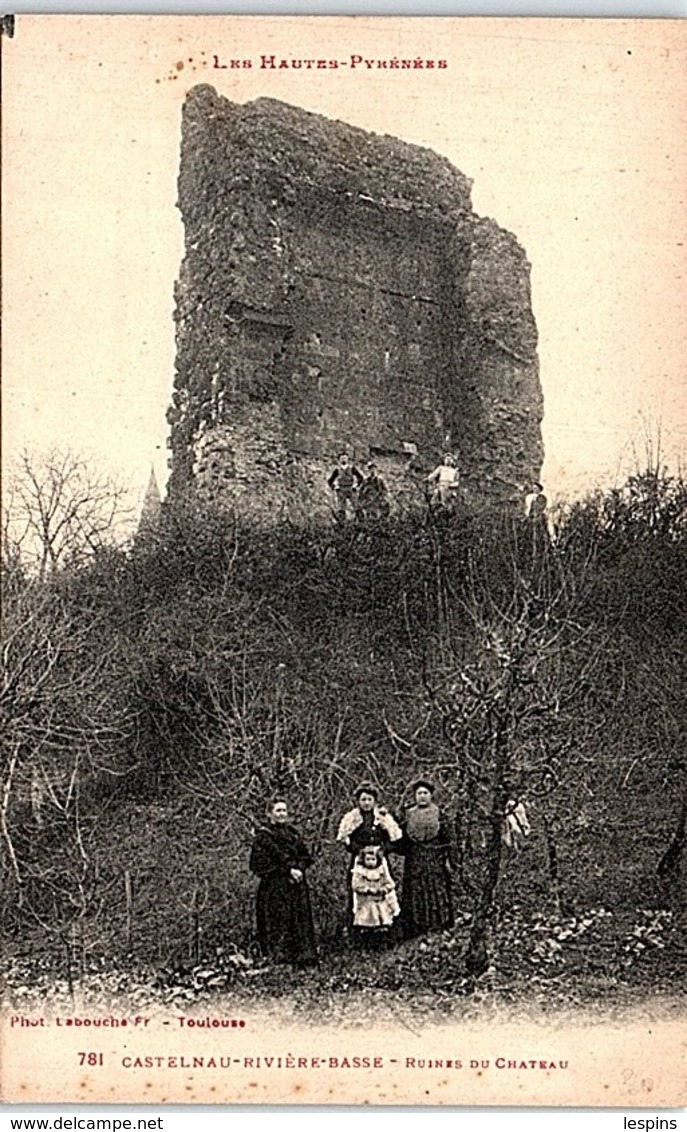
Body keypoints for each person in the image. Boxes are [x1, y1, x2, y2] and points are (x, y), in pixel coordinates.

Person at [248, 798, 317, 967]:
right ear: (269, 814)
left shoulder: (293, 833)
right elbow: (258, 864)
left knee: (299, 921)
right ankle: (279, 958)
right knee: (277, 921)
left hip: (296, 886)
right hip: (275, 888)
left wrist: (299, 869)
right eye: (278, 811)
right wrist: (286, 871)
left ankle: (303, 957)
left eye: (284, 811)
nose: (282, 814)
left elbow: (305, 856)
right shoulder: (263, 838)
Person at [336, 783, 402, 937]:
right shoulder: (352, 818)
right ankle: (359, 933)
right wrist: (359, 850)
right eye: (363, 799)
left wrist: (382, 850)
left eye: (369, 799)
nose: (366, 802)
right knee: (358, 895)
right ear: (358, 801)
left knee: (383, 894)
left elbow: (393, 839)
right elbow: (346, 840)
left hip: (380, 862)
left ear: (375, 801)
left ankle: (385, 932)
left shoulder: (382, 817)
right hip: (360, 862)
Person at [398, 780, 457, 940]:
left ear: (431, 795)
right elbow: (401, 840)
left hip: (434, 858)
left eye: (425, 793)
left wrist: (453, 860)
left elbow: (449, 839)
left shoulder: (439, 813)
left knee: (436, 888)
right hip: (414, 859)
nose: (422, 797)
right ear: (415, 796)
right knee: (416, 890)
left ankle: (439, 924)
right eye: (419, 793)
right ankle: (417, 927)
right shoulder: (408, 814)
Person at [350, 845, 400, 948]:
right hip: (366, 902)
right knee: (366, 922)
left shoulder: (381, 870)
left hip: (379, 901)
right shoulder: (360, 871)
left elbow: (390, 883)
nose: (370, 862)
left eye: (373, 859)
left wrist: (383, 889)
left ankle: (382, 943)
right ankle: (367, 944)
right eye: (367, 859)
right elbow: (355, 885)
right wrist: (367, 889)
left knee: (381, 921)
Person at [327, 453, 363, 521]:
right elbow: (330, 481)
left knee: (356, 505)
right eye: (342, 458)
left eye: (345, 458)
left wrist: (356, 486)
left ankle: (361, 521)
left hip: (350, 489)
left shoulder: (352, 468)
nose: (343, 459)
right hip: (341, 490)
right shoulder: (337, 470)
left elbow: (360, 478)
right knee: (341, 508)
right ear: (339, 460)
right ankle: (342, 523)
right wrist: (335, 487)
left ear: (348, 459)